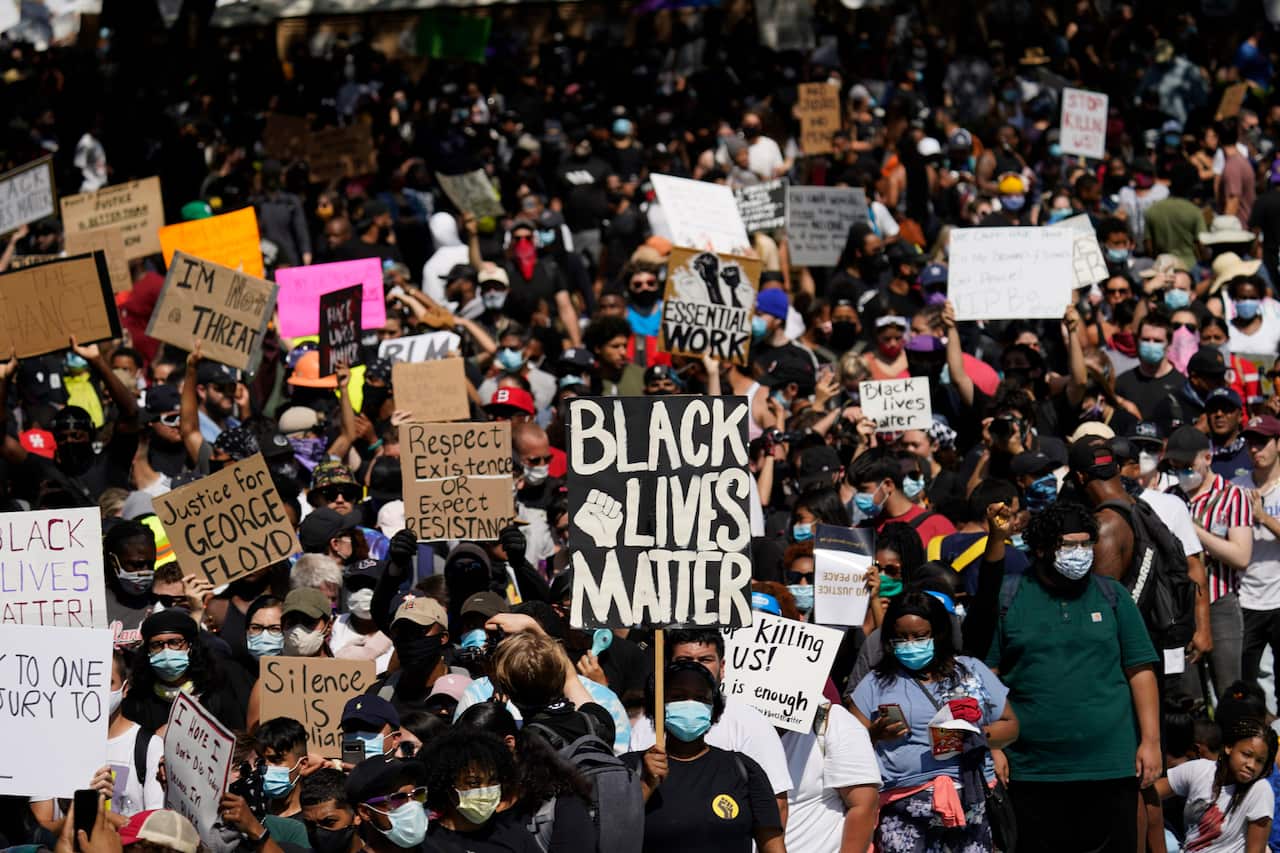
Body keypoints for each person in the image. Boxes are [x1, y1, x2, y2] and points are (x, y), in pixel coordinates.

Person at [987, 502, 1160, 852]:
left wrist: (1151, 742)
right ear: (1040, 548)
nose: (1079, 553)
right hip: (1032, 770)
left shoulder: (1113, 596)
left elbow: (1140, 671)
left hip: (1109, 766)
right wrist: (992, 746)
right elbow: (988, 677)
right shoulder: (1009, 596)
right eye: (1068, 545)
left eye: (1086, 544)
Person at [849, 589, 1016, 851]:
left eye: (919, 636)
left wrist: (978, 736)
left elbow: (1010, 725)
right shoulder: (875, 683)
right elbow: (847, 744)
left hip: (970, 807)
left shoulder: (972, 671)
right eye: (901, 638)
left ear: (938, 634)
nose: (910, 644)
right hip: (903, 810)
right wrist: (874, 734)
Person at [627, 629, 792, 818]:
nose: (695, 668)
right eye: (684, 661)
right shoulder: (647, 725)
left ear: (722, 667)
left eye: (705, 660)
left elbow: (775, 803)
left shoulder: (751, 723)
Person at [626, 661, 784, 853]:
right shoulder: (628, 769)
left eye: (701, 698)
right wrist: (645, 786)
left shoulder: (743, 770)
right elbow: (609, 834)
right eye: (678, 697)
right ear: (657, 707)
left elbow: (773, 846)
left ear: (714, 709)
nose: (690, 704)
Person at [1168, 424, 1255, 698]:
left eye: (1187, 464)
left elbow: (1241, 556)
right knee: (1188, 695)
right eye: (1176, 464)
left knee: (1230, 690)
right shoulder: (1170, 498)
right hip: (1180, 605)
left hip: (1220, 603)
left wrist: (1194, 531)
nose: (1182, 470)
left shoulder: (1233, 496)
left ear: (1207, 458)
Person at [1154, 717, 1276, 852]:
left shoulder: (1259, 790)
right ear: (1229, 747)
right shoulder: (1199, 771)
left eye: (1259, 761)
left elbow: (1256, 850)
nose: (1251, 765)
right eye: (1246, 754)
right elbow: (1148, 795)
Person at [123, 609, 250, 731]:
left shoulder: (216, 692)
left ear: (190, 647)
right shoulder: (137, 701)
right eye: (157, 645)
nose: (166, 650)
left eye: (175, 642)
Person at [421, 729, 541, 852]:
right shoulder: (426, 842)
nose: (485, 791)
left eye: (493, 781)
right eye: (473, 783)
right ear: (446, 786)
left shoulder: (515, 835)